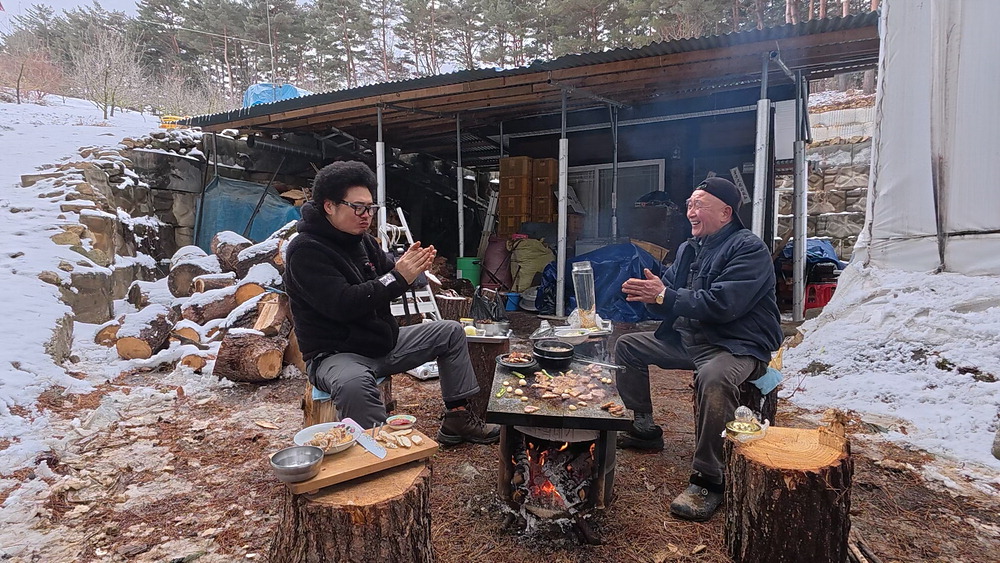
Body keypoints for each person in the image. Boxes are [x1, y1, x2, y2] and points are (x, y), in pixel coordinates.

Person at [283, 160, 500, 446]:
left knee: (449, 332)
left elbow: (391, 272)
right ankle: (377, 450)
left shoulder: (363, 241)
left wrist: (414, 270)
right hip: (336, 355)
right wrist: (399, 276)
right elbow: (343, 303)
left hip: (382, 343)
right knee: (354, 385)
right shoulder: (305, 250)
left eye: (371, 208)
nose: (367, 216)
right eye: (358, 207)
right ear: (329, 206)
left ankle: (457, 420)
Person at [616, 177, 782, 521]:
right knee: (628, 346)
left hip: (737, 344)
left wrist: (666, 295)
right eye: (689, 204)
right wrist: (652, 293)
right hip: (692, 340)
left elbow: (724, 304)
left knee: (714, 378)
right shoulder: (689, 248)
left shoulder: (748, 248)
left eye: (699, 205)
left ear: (725, 212)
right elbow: (672, 296)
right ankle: (644, 428)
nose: (690, 212)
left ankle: (708, 478)